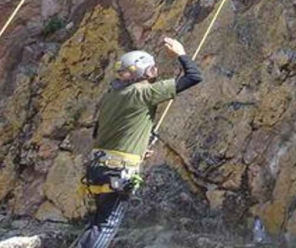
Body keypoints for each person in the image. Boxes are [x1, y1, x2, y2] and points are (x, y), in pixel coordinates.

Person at [77, 37, 203, 248]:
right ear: (147, 72)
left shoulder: (111, 96)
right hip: (117, 171)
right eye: (153, 68)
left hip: (97, 168)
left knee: (98, 223)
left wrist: (136, 148)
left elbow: (99, 132)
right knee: (106, 225)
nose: (155, 71)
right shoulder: (144, 92)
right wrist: (181, 54)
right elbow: (194, 76)